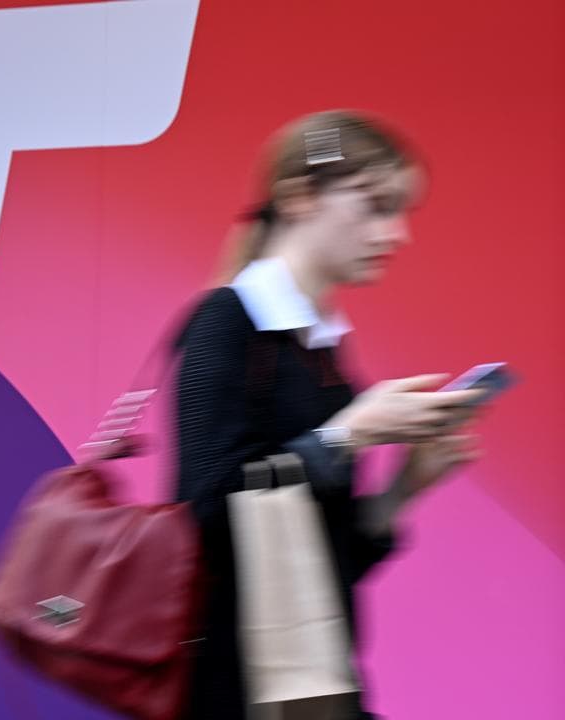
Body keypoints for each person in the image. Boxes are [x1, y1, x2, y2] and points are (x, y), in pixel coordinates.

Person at [174, 110, 484, 720]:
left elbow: (322, 558)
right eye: (375, 206)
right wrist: (348, 432)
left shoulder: (321, 350)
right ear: (298, 198)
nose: (397, 234)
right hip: (234, 689)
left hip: (312, 686)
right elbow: (206, 511)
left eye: (400, 212)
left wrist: (403, 490)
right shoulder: (225, 321)